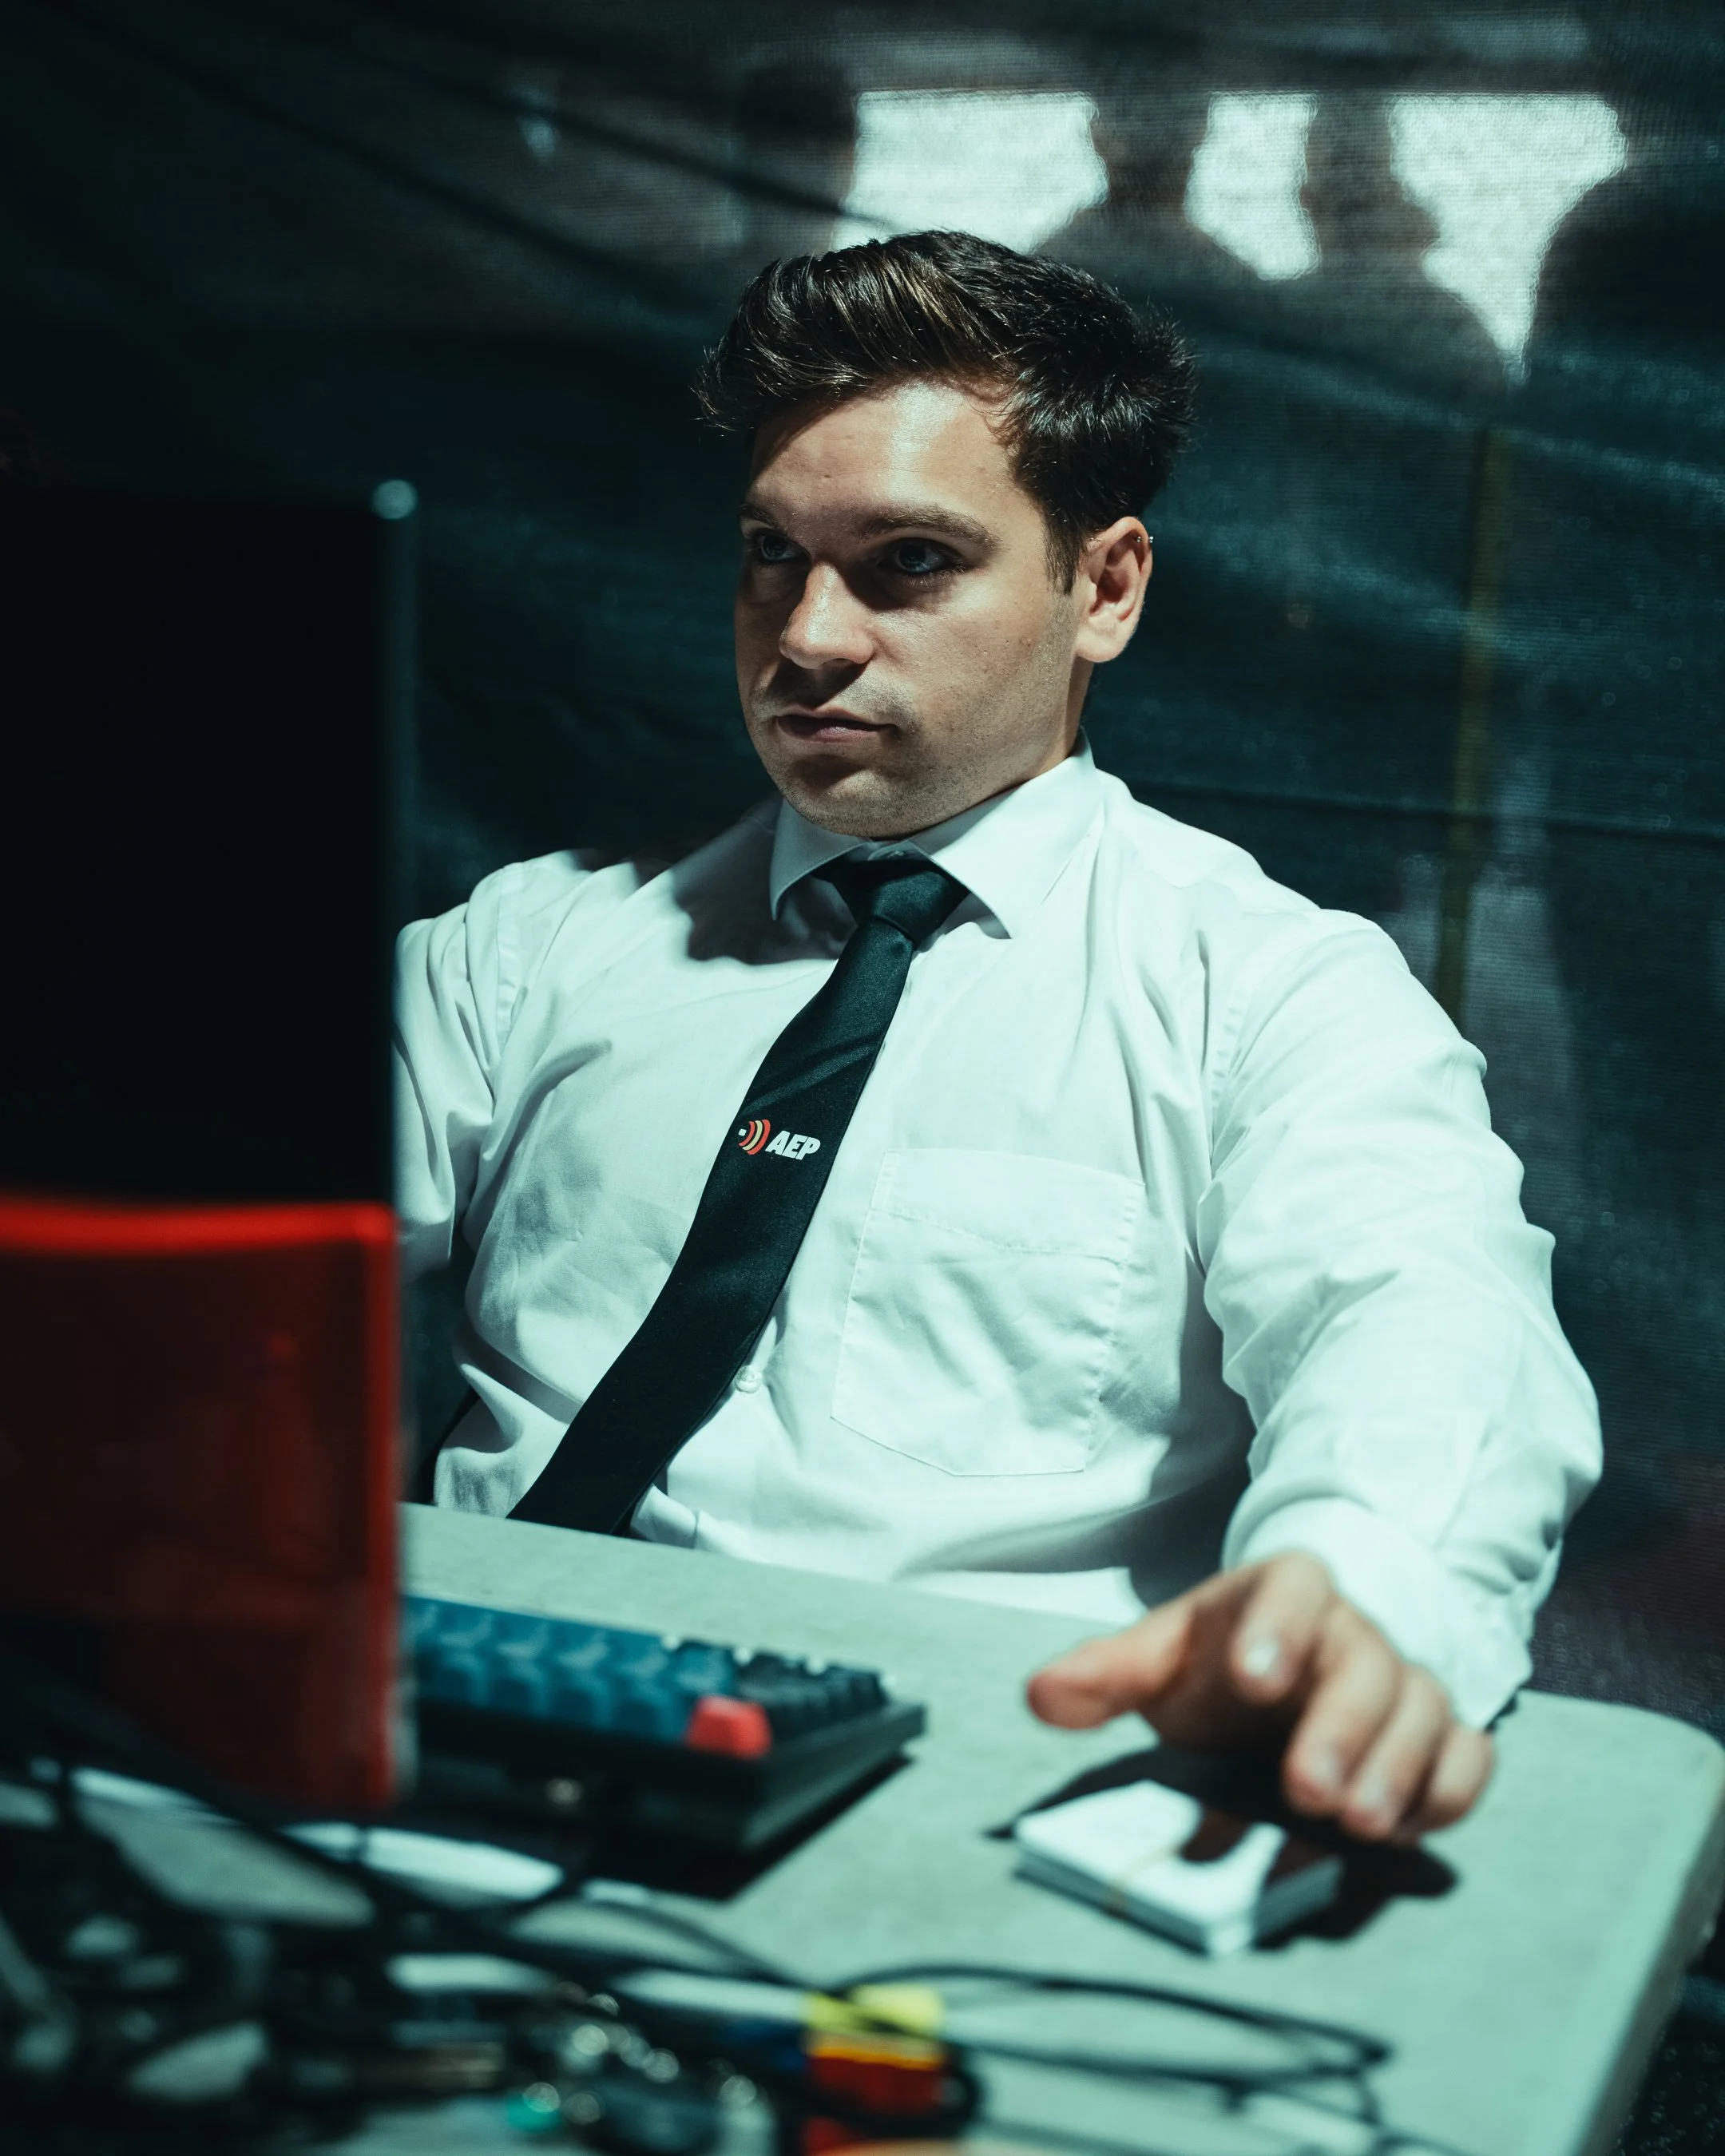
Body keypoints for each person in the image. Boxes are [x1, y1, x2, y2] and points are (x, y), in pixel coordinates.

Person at [396, 231, 1600, 1845]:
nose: (807, 636)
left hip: (947, 1809)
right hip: (423, 1747)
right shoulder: (524, 953)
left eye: (908, 561)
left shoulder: (1268, 994)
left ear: (1103, 589)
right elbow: (223, 1243)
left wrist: (1360, 1592)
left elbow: (1426, 1332)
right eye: (771, 553)